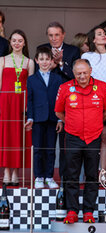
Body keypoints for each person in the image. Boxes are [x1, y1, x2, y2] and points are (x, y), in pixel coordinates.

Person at [55, 59, 106, 224]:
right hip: (72, 137)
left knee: (91, 176)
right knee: (71, 175)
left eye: (85, 73)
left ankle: (88, 211)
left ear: (91, 71)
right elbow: (59, 112)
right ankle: (72, 211)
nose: (82, 76)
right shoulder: (65, 88)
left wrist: (94, 124)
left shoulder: (101, 87)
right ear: (73, 73)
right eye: (78, 73)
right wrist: (73, 124)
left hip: (94, 137)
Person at [37, 21, 81, 180]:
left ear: (63, 35)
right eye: (51, 35)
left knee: (65, 145)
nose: (54, 38)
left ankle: (64, 178)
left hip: (68, 103)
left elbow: (77, 76)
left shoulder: (73, 50)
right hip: (46, 104)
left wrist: (61, 63)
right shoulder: (41, 49)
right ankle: (42, 177)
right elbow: (37, 76)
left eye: (57, 35)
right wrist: (51, 64)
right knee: (45, 144)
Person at [82, 26, 106, 170]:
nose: (104, 36)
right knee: (90, 137)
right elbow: (82, 80)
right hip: (89, 96)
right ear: (93, 39)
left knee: (105, 136)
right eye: (100, 34)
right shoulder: (86, 56)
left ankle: (103, 172)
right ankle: (90, 171)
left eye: (104, 34)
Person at [24, 47, 63, 189]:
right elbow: (30, 100)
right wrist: (30, 118)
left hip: (53, 118)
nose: (44, 62)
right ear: (36, 60)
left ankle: (49, 176)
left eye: (47, 59)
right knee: (38, 149)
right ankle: (38, 177)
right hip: (38, 119)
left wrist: (60, 119)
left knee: (51, 149)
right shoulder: (32, 79)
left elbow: (60, 100)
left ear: (52, 61)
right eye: (41, 59)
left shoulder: (57, 78)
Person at [0, 29, 35, 186]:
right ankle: (7, 172)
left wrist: (29, 107)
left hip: (21, 102)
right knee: (6, 137)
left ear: (24, 43)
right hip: (5, 102)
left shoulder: (29, 62)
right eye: (14, 40)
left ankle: (16, 173)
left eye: (20, 40)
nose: (16, 43)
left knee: (18, 138)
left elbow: (31, 86)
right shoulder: (2, 60)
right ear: (10, 42)